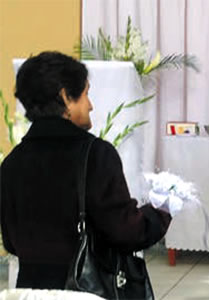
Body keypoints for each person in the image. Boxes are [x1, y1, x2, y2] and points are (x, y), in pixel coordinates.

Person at [0, 51, 171, 289]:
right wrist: (162, 210)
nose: (90, 105)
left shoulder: (11, 163)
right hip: (85, 289)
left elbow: (11, 242)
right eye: (85, 94)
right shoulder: (96, 155)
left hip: (32, 291)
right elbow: (127, 232)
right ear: (65, 97)